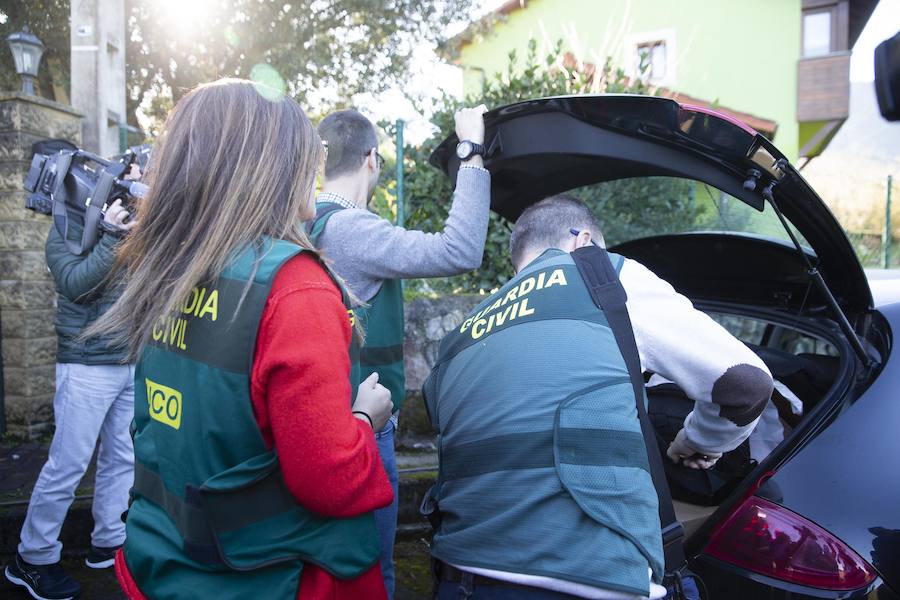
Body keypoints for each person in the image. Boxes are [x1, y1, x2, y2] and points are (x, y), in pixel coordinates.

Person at [87, 79, 395, 599]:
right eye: (304, 153)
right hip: (278, 577)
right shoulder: (293, 286)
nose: (314, 170)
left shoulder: (171, 269)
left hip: (166, 561)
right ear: (268, 164)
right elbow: (330, 481)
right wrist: (366, 417)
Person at [423, 195, 775, 599]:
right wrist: (696, 442)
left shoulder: (466, 331)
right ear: (585, 241)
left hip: (458, 577)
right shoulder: (602, 275)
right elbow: (746, 384)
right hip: (588, 580)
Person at [312, 106, 491, 597]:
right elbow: (460, 250)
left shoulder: (300, 222)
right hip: (362, 428)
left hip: (316, 420)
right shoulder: (352, 231)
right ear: (372, 159)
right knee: (374, 572)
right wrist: (471, 152)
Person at [4, 180, 138, 600]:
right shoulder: (65, 229)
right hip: (85, 366)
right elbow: (76, 284)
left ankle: (108, 542)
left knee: (123, 458)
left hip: (129, 360)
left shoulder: (132, 224)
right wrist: (111, 236)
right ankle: (33, 558)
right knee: (67, 465)